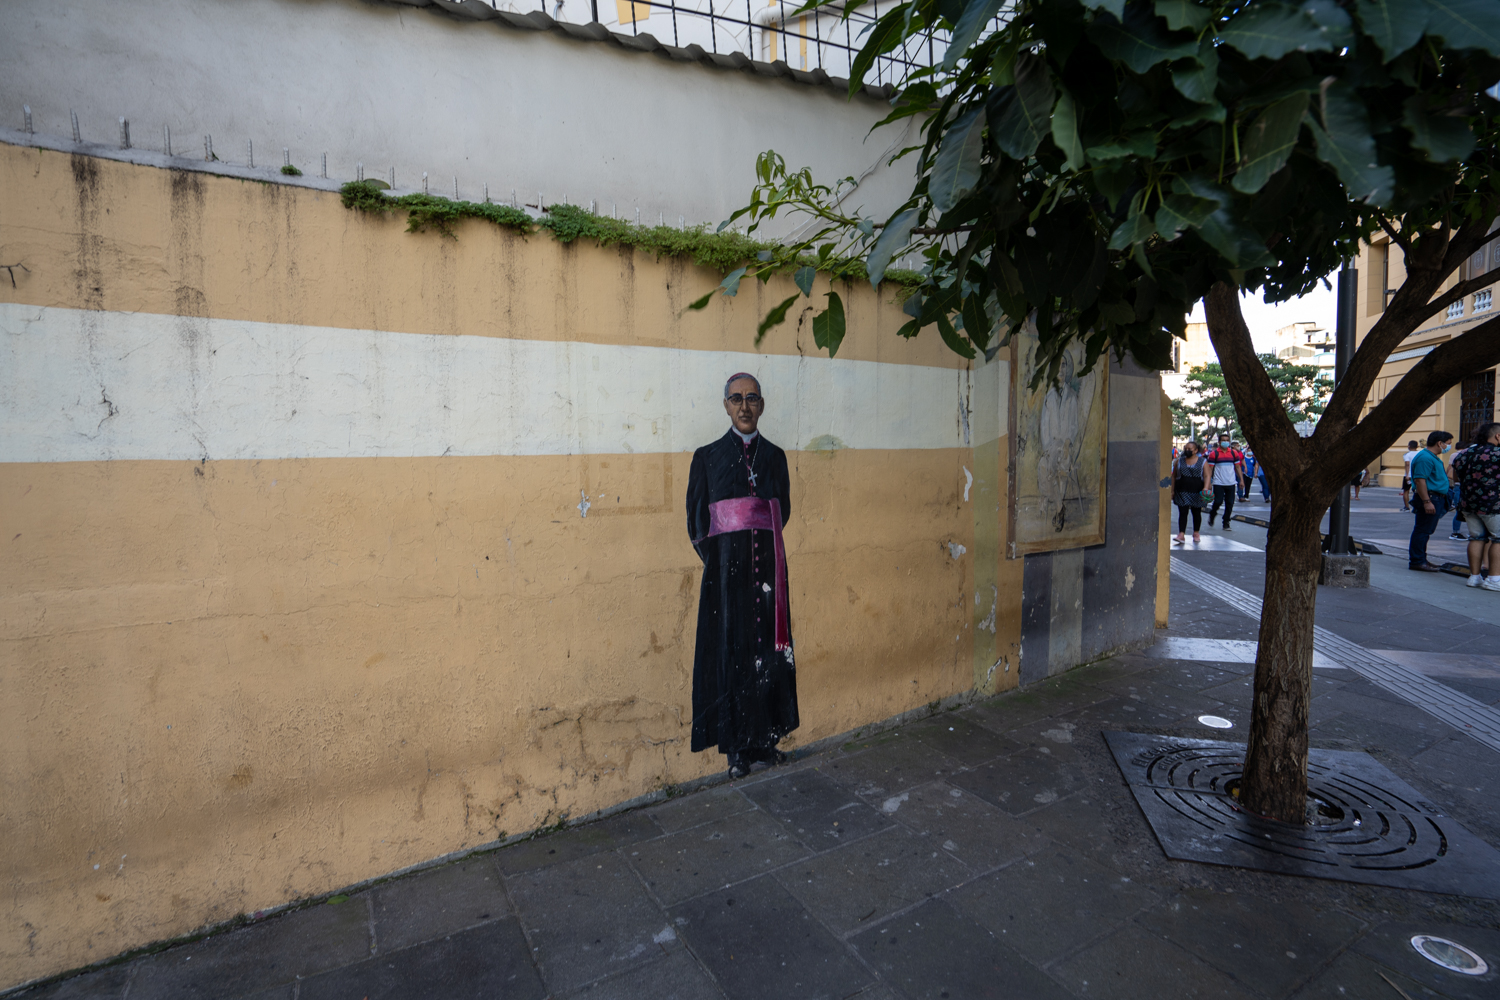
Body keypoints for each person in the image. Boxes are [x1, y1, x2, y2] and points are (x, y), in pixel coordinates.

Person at [686, 374, 799, 779]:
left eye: (752, 398)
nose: (745, 406)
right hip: (726, 578)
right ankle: (736, 750)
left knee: (768, 654)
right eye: (737, 399)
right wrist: (721, 562)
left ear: (762, 405)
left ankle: (765, 742)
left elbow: (781, 510)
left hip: (768, 573)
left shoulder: (776, 456)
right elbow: (697, 523)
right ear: (726, 406)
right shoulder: (707, 457)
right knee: (731, 657)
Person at [1453, 422, 1500, 590]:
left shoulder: (1464, 454)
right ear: (1497, 436)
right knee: (1498, 539)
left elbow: (1456, 478)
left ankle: (1474, 577)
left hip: (1468, 504)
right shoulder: (1498, 453)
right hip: (1494, 504)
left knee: (1476, 538)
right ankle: (1494, 580)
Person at [1409, 430, 1455, 572]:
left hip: (1435, 497)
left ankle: (1422, 559)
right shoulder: (1425, 458)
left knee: (1425, 530)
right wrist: (1426, 501)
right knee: (1422, 530)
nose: (1448, 447)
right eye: (1448, 444)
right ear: (1439, 443)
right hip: (1431, 497)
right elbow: (1420, 480)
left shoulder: (1432, 457)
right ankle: (1417, 561)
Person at [1204, 433, 1245, 529]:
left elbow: (1238, 467)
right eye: (1224, 440)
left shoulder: (1233, 453)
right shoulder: (1214, 454)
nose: (1226, 442)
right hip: (1218, 482)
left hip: (1231, 482)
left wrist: (1241, 480)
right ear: (1219, 442)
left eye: (1227, 440)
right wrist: (1209, 482)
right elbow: (1210, 469)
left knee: (1230, 503)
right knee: (1218, 501)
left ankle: (1226, 522)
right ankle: (1212, 513)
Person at [1171, 441, 1208, 543]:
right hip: (1182, 490)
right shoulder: (1179, 461)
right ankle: (1181, 534)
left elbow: (1207, 475)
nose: (1187, 451)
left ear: (1196, 450)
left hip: (1197, 491)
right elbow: (1173, 476)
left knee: (1196, 512)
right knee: (1183, 512)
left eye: (1190, 449)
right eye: (1185, 448)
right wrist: (1172, 490)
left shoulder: (1203, 462)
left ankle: (1196, 532)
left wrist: (1206, 488)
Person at [1448, 441, 1468, 539]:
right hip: (1463, 486)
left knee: (1459, 510)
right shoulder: (1464, 455)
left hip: (1458, 485)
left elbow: (1449, 470)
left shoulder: (1454, 455)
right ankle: (1456, 532)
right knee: (1462, 510)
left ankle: (1456, 532)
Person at [1401, 440, 1420, 511]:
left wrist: (1407, 475)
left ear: (1409, 446)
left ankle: (1407, 507)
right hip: (1418, 475)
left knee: (1406, 491)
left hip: (1409, 475)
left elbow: (1407, 464)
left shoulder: (1407, 455)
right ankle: (1417, 506)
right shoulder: (1420, 454)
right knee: (1418, 491)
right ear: (1417, 446)